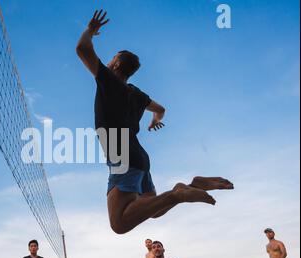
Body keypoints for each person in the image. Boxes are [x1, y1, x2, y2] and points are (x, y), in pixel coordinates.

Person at [76, 10, 233, 235]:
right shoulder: (137, 94)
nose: (109, 60)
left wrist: (90, 30)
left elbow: (82, 49)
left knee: (119, 224)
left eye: (112, 57)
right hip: (138, 156)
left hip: (121, 154)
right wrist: (154, 121)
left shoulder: (110, 81)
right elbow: (160, 110)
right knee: (154, 210)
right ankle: (191, 185)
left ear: (117, 64)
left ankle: (177, 194)